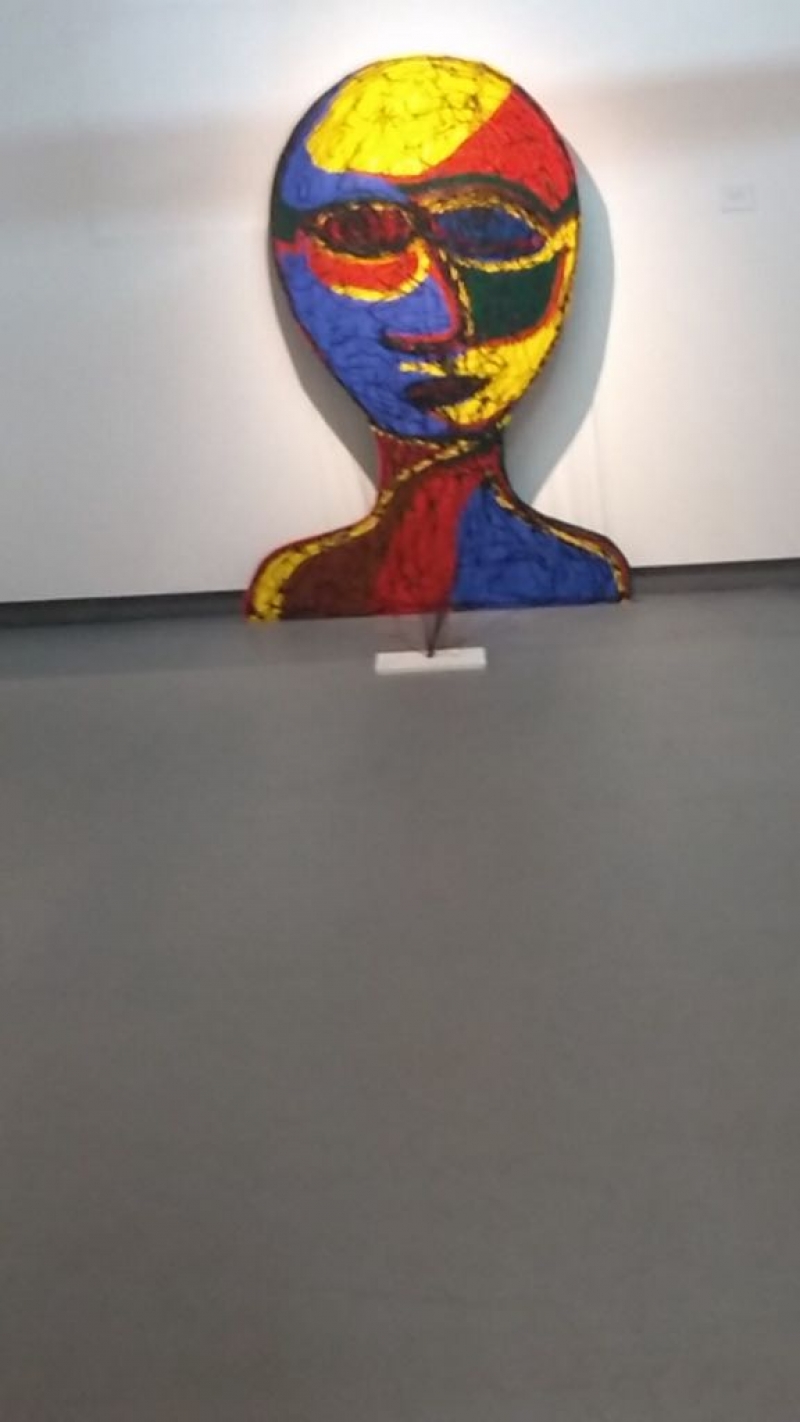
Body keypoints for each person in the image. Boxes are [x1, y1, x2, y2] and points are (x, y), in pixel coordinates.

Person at [247, 56, 630, 620]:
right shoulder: (300, 587)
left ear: (566, 255)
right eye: (363, 232)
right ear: (289, 262)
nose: (440, 323)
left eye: (490, 230)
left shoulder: (586, 573)